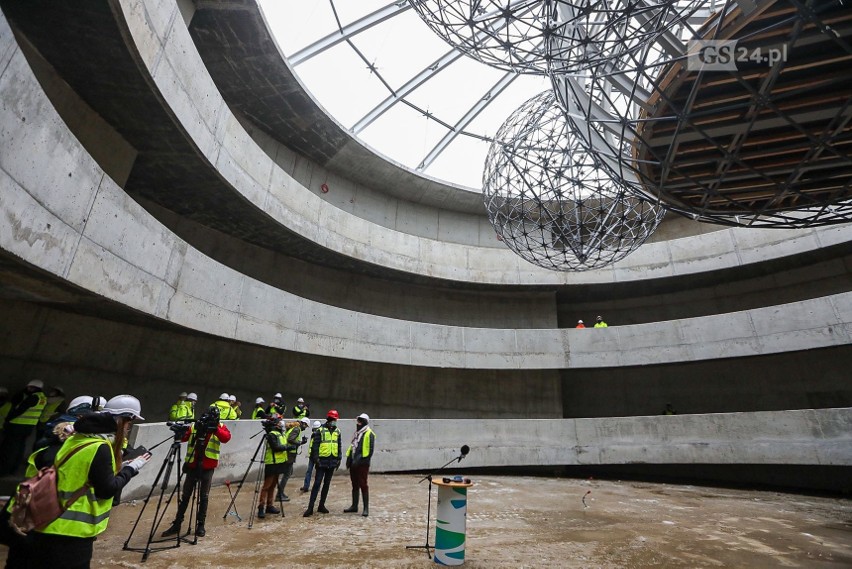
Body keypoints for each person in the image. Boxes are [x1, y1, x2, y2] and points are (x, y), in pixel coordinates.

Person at [28, 394, 151, 569]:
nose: (128, 429)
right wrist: (131, 469)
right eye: (129, 424)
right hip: (72, 532)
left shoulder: (77, 439)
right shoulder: (100, 447)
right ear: (122, 420)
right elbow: (107, 490)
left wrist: (116, 467)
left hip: (47, 522)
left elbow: (81, 473)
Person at [162, 405, 232, 538]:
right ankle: (177, 523)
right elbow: (183, 438)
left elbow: (226, 438)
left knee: (204, 497)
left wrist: (215, 428)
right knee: (185, 496)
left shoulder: (220, 426)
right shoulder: (196, 426)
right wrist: (180, 431)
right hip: (192, 466)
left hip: (207, 467)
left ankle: (200, 525)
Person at [0, 379, 48, 475]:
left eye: (30, 387)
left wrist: (8, 419)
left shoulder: (33, 397)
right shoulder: (43, 398)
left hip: (17, 426)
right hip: (28, 427)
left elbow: (20, 410)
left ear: (35, 388)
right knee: (19, 449)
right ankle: (13, 469)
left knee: (10, 449)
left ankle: (4, 470)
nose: (28, 389)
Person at [303, 410, 342, 517]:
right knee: (317, 484)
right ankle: (310, 507)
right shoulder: (320, 431)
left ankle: (321, 505)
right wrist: (316, 460)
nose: (335, 421)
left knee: (327, 484)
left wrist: (339, 458)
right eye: (333, 420)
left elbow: (339, 446)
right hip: (322, 462)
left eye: (335, 420)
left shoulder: (337, 431)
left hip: (332, 462)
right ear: (329, 419)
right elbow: (315, 447)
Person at [344, 413, 376, 517]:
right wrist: (349, 458)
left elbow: (369, 451)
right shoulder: (357, 433)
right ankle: (354, 506)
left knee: (363, 484)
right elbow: (353, 446)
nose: (358, 423)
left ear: (365, 422)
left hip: (362, 464)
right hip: (354, 462)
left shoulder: (369, 433)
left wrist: (360, 460)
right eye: (358, 421)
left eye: (360, 421)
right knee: (354, 484)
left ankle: (366, 508)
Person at [277, 417, 310, 502]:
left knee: (288, 473)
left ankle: (280, 493)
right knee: (287, 474)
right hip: (290, 453)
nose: (305, 428)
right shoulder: (297, 429)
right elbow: (290, 439)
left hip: (289, 453)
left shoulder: (294, 428)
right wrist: (300, 442)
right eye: (305, 427)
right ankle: (279, 494)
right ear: (304, 424)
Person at [299, 420, 322, 493]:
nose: (315, 431)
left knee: (318, 472)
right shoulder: (313, 435)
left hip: (318, 456)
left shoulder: (321, 435)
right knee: (309, 471)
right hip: (312, 456)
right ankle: (306, 486)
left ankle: (316, 487)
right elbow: (311, 446)